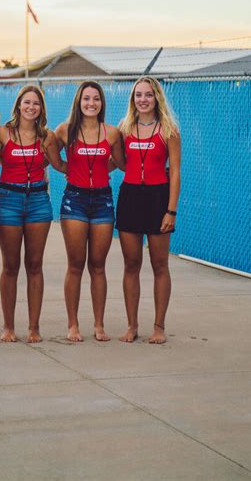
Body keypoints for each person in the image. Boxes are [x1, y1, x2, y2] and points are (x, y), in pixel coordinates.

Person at [0, 86, 65, 343]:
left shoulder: (47, 137)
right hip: (8, 201)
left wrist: (101, 165)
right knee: (10, 266)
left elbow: (59, 165)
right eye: (27, 102)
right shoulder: (3, 133)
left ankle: (34, 327)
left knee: (34, 265)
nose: (31, 107)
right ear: (19, 105)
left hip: (38, 202)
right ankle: (8, 326)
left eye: (36, 103)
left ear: (41, 109)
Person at [55, 81, 125, 342]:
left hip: (102, 201)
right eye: (86, 99)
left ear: (102, 103)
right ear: (79, 102)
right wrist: (65, 168)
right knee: (75, 265)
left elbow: (119, 162)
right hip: (75, 200)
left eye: (96, 99)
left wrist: (98, 172)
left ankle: (99, 325)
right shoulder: (66, 131)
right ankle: (73, 325)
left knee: (98, 265)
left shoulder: (112, 133)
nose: (91, 103)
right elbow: (49, 151)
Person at [115, 76, 181, 344]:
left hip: (158, 198)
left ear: (157, 99)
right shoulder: (124, 129)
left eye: (148, 95)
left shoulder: (169, 130)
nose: (143, 99)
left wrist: (171, 211)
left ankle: (158, 327)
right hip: (130, 196)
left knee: (159, 264)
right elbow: (118, 162)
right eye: (138, 95)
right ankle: (131, 326)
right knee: (131, 264)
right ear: (133, 99)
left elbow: (175, 172)